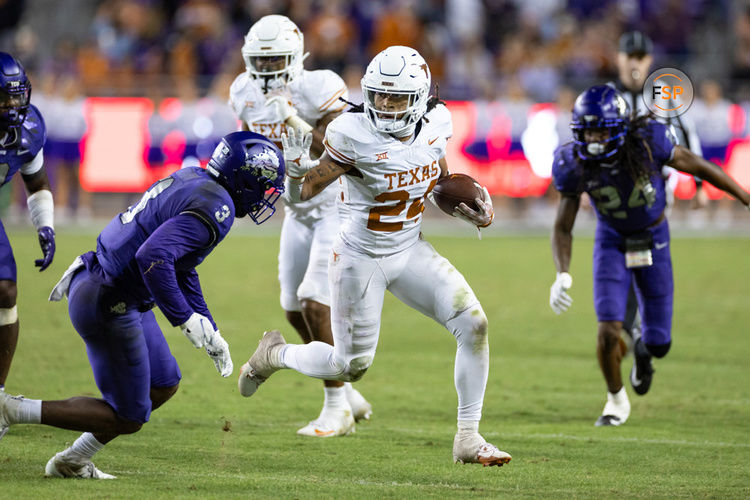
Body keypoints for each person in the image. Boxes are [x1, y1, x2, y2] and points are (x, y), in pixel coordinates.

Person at [239, 46, 511, 467]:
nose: (384, 104)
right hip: (359, 257)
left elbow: (436, 180)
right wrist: (295, 169)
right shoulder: (352, 132)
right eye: (378, 94)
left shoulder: (438, 123)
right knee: (350, 366)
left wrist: (468, 207)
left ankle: (468, 438)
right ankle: (274, 354)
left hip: (409, 248)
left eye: (396, 97)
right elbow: (307, 190)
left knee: (474, 324)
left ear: (419, 97)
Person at [0, 131, 285, 478]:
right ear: (243, 178)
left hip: (110, 286)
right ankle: (12, 410)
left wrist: (206, 322)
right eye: (263, 184)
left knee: (163, 382)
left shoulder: (197, 178)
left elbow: (182, 265)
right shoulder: (217, 206)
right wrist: (184, 319)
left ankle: (71, 462)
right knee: (130, 415)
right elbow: (154, 256)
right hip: (108, 297)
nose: (264, 196)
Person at [548, 85, 750, 426]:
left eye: (601, 129)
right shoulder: (574, 163)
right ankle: (615, 401)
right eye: (589, 130)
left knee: (659, 344)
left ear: (619, 128)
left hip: (653, 236)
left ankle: (644, 348)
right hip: (611, 239)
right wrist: (561, 273)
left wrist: (744, 197)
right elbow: (563, 226)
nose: (595, 139)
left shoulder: (646, 143)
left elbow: (697, 165)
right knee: (608, 330)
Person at [229, 14, 371, 437]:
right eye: (261, 61)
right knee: (293, 307)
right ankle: (347, 394)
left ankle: (336, 407)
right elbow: (247, 142)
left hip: (334, 205)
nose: (268, 70)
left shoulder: (319, 86)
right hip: (296, 209)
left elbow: (340, 145)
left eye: (275, 61)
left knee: (313, 300)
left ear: (296, 57)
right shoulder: (242, 91)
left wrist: (293, 121)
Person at [0, 52, 56, 399]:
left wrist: (45, 226)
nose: (11, 105)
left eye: (16, 96)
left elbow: (36, 183)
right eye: (2, 97)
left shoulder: (27, 129)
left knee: (5, 290)